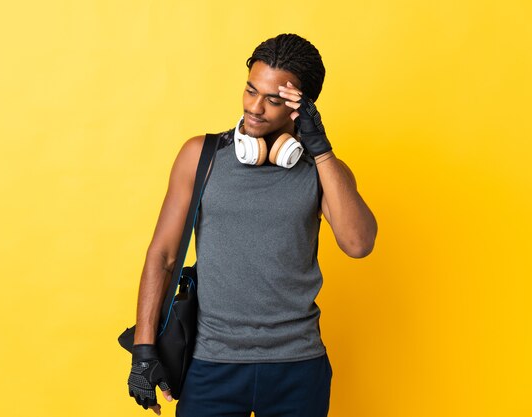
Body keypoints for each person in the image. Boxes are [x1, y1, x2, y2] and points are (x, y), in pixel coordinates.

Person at [126, 33, 378, 417]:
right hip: (211, 364)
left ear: (301, 105)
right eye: (250, 90)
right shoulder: (201, 156)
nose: (255, 107)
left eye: (273, 100)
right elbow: (162, 255)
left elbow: (358, 244)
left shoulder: (322, 172)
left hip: (298, 365)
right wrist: (143, 351)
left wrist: (321, 149)